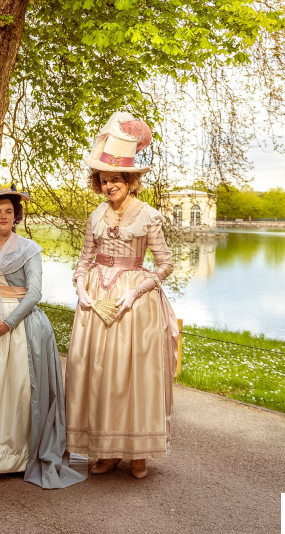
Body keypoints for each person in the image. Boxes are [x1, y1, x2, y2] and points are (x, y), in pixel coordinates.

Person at [0, 186, 86, 489]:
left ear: (16, 216)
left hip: (18, 324)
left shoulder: (29, 249)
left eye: (9, 211)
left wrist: (8, 323)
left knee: (14, 386)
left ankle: (10, 454)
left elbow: (34, 293)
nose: (3, 216)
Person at [65, 112, 179, 479]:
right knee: (97, 372)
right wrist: (81, 288)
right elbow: (82, 260)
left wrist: (136, 293)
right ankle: (105, 450)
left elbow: (165, 264)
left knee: (131, 376)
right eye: (103, 179)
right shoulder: (95, 215)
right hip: (96, 298)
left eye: (116, 178)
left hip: (135, 303)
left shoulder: (149, 216)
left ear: (130, 180)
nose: (109, 184)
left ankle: (137, 452)